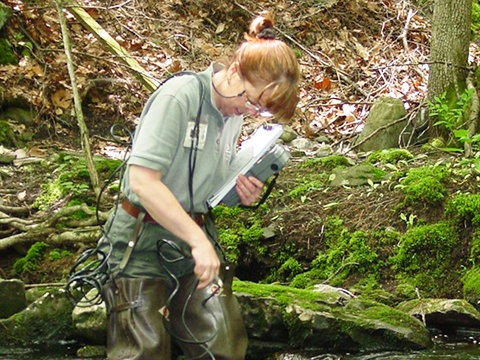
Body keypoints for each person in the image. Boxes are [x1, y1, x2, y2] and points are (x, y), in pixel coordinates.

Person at [99, 10, 301, 360]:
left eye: (261, 113)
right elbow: (143, 182)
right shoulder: (179, 97)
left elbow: (205, 188)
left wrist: (239, 193)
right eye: (252, 101)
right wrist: (198, 242)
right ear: (235, 71)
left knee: (223, 345)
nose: (250, 112)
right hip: (139, 240)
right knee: (143, 350)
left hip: (193, 235)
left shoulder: (233, 116)